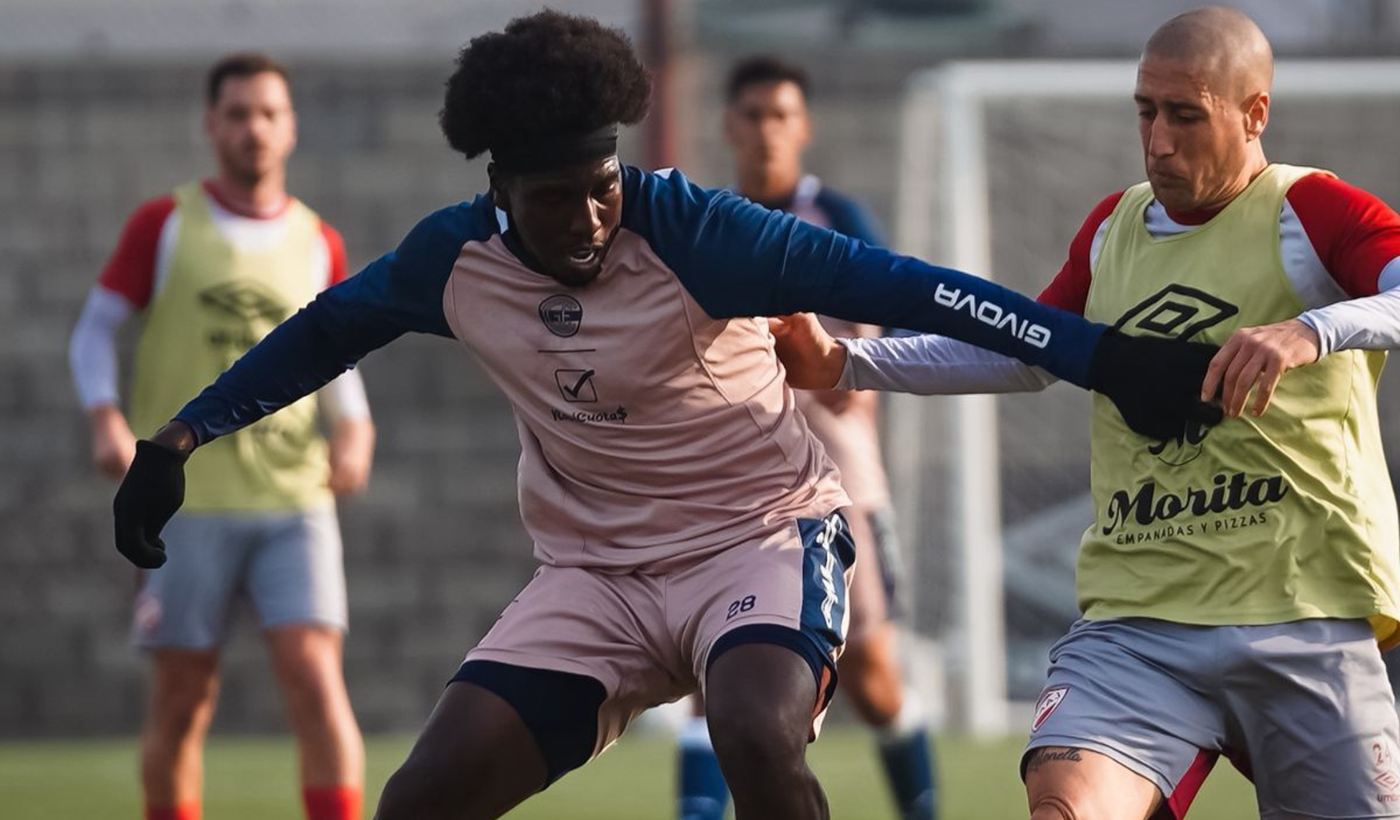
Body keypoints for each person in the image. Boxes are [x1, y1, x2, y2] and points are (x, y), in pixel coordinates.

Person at [109, 12, 1218, 820]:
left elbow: (912, 287)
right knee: (421, 798)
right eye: (556, 198)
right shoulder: (450, 260)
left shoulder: (694, 229)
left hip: (760, 536)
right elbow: (321, 331)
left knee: (751, 729)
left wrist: (1106, 358)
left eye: (603, 181)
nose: (592, 214)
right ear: (499, 192)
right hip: (591, 572)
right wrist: (179, 438)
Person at [769, 7, 1400, 819]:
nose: (1158, 140)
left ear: (1254, 114)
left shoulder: (1309, 212)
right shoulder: (1113, 227)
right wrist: (846, 360)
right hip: (1139, 625)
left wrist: (1311, 330)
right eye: (1145, 111)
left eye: (1185, 115)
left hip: (1302, 621)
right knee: (1064, 808)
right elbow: (1028, 354)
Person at [68, 52, 374, 820]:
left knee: (314, 676)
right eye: (237, 114)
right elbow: (94, 332)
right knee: (182, 698)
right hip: (187, 503)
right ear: (211, 125)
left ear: (291, 127)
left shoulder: (317, 240)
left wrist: (355, 425)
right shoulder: (164, 224)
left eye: (269, 113)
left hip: (292, 497)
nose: (254, 129)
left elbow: (329, 351)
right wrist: (104, 413)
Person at [674, 54, 936, 820]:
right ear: (729, 126)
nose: (765, 132)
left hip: (841, 480)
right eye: (751, 116)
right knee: (710, 674)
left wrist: (843, 361)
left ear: (804, 127)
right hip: (732, 480)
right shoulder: (701, 225)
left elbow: (883, 341)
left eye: (780, 116)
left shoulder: (841, 223)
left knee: (874, 675)